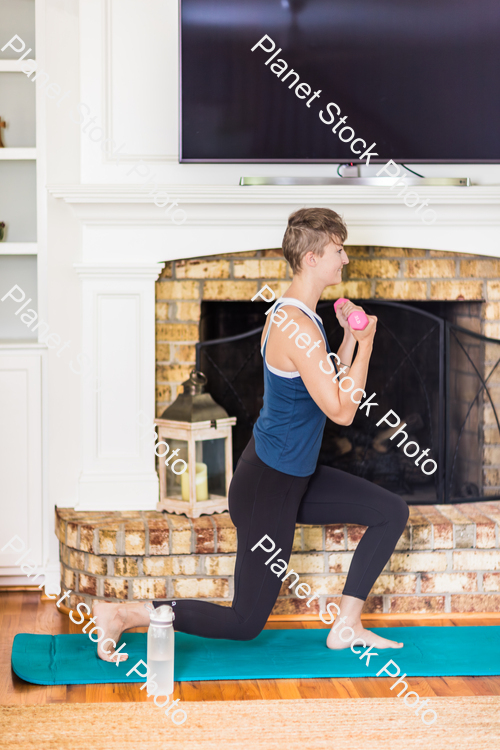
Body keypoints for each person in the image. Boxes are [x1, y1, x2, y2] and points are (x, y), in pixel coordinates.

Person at [94, 207, 409, 663]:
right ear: (312, 258)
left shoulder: (303, 319)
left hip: (290, 476)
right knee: (245, 622)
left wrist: (346, 343)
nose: (345, 259)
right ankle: (123, 614)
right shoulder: (297, 325)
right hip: (269, 487)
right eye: (339, 250)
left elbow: (325, 383)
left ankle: (347, 626)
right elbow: (341, 411)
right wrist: (367, 344)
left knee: (389, 511)